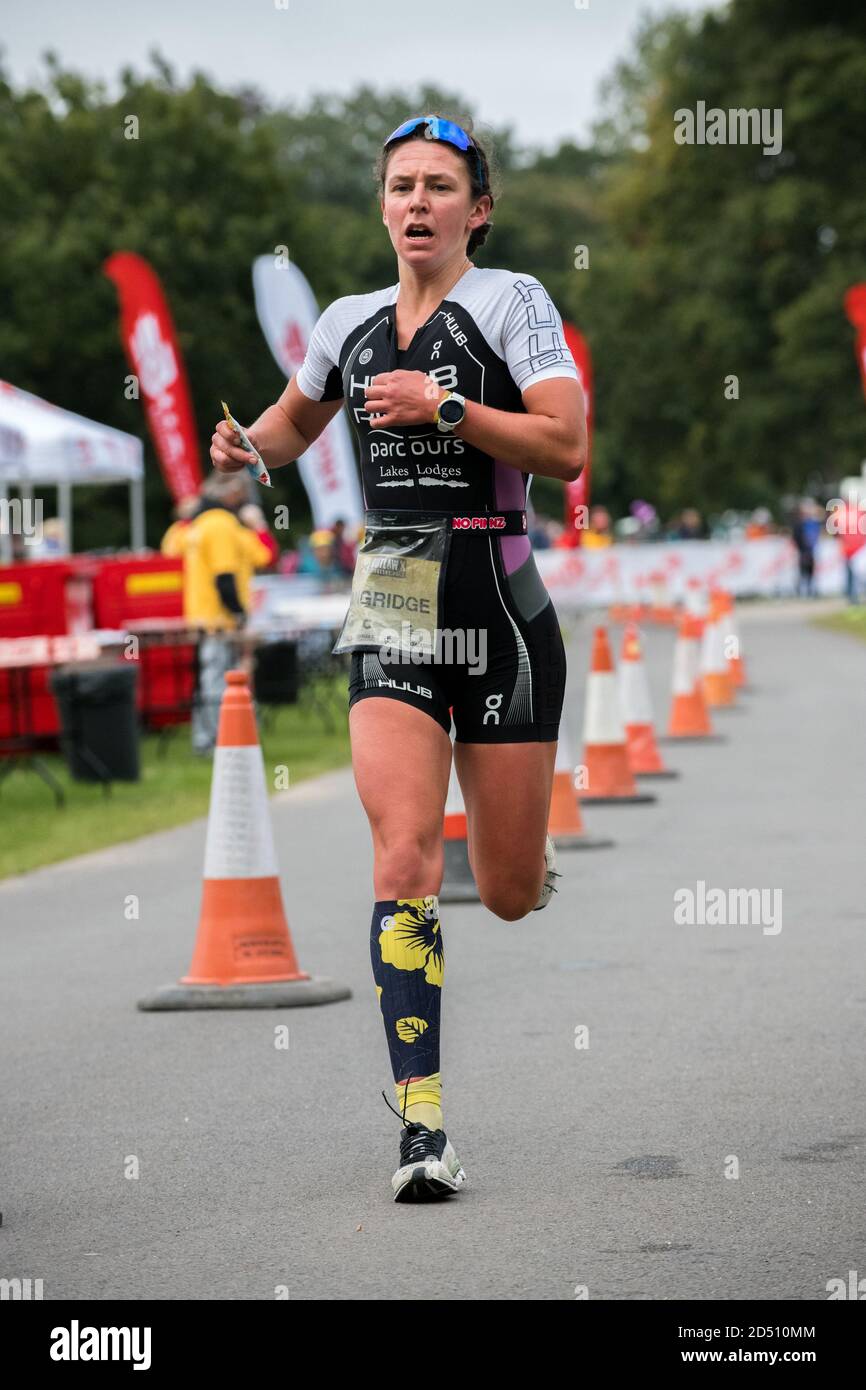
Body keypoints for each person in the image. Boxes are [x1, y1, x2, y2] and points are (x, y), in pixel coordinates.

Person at [210, 112, 586, 1201]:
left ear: (477, 208)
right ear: (380, 205)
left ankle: (522, 856)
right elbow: (290, 425)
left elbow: (566, 448)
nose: (416, 203)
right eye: (399, 186)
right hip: (392, 595)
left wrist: (449, 405)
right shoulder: (345, 321)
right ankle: (421, 1128)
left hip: (498, 597)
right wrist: (249, 446)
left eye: (438, 186)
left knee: (507, 892)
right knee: (403, 855)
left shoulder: (512, 303)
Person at [162, 472, 273, 753]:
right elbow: (225, 576)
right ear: (231, 493)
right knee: (220, 680)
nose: (244, 497)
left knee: (211, 678)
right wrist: (237, 611)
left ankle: (210, 738)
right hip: (220, 617)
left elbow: (169, 550)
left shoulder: (198, 524)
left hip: (202, 615)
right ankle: (216, 740)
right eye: (242, 492)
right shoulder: (222, 525)